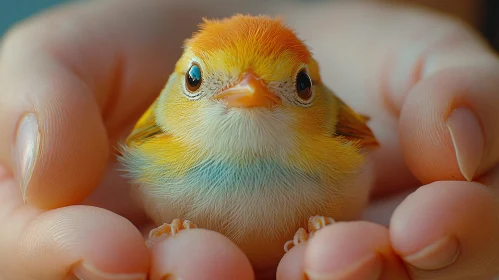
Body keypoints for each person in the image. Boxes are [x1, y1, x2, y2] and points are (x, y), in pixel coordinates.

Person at [0, 1, 498, 279]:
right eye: (199, 81)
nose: (251, 92)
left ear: (315, 91)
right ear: (180, 84)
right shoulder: (153, 132)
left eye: (297, 86)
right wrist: (168, 225)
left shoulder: (338, 127)